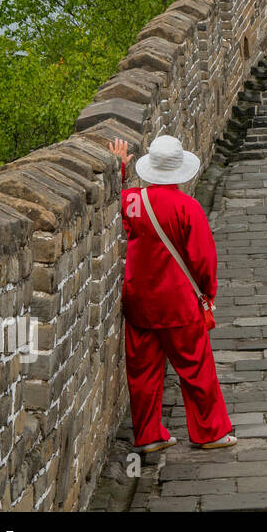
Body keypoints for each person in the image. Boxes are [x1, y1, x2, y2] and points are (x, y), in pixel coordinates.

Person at [107, 135, 236, 454]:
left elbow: (114, 209)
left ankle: (148, 435)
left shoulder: (132, 201)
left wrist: (121, 171)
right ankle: (209, 431)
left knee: (142, 372)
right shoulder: (188, 208)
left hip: (139, 300)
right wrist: (208, 292)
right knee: (195, 368)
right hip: (178, 302)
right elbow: (203, 259)